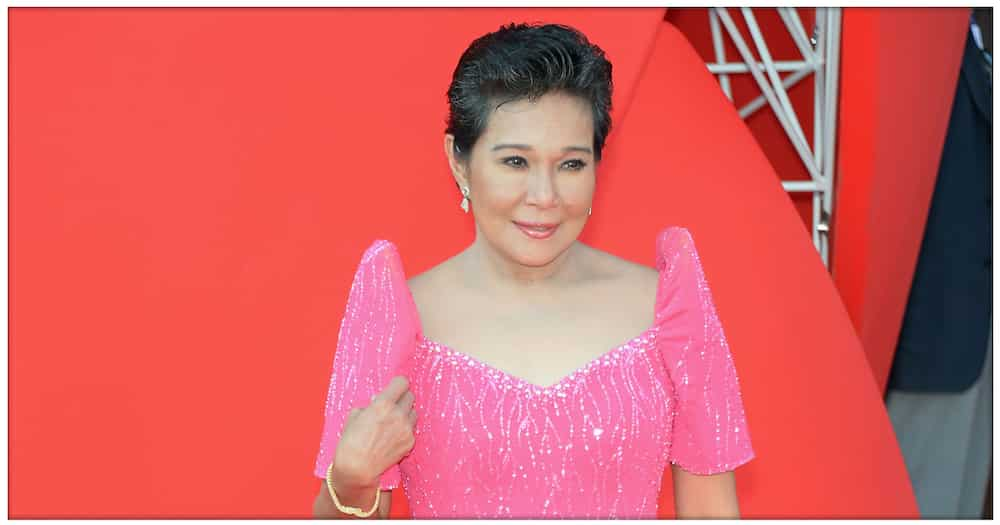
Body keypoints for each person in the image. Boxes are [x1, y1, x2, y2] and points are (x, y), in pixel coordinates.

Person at [311, 22, 755, 519]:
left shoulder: (668, 305)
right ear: (460, 163)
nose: (544, 197)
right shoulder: (398, 313)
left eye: (571, 165)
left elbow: (714, 511)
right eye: (516, 161)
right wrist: (350, 480)